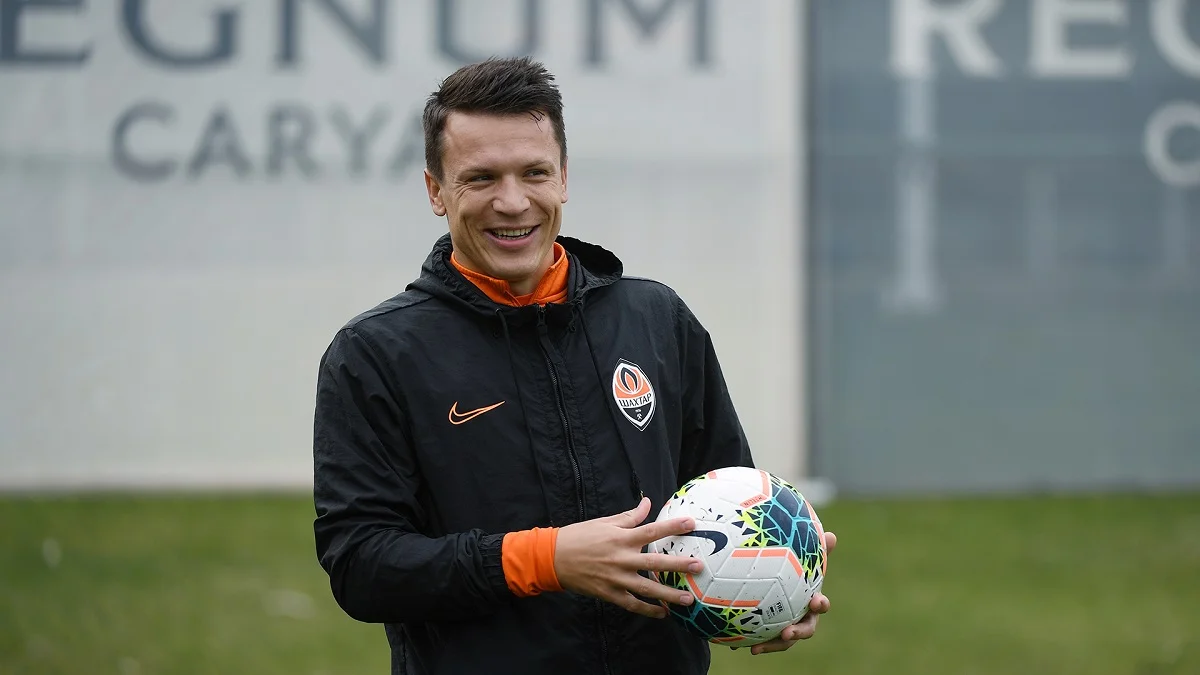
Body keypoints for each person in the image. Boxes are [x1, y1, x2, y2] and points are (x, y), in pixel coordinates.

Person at [312, 56, 835, 675]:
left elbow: (728, 504)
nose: (513, 202)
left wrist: (775, 583)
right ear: (435, 190)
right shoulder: (375, 354)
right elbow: (363, 565)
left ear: (563, 177)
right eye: (481, 178)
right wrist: (548, 560)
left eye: (534, 172)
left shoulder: (656, 319)